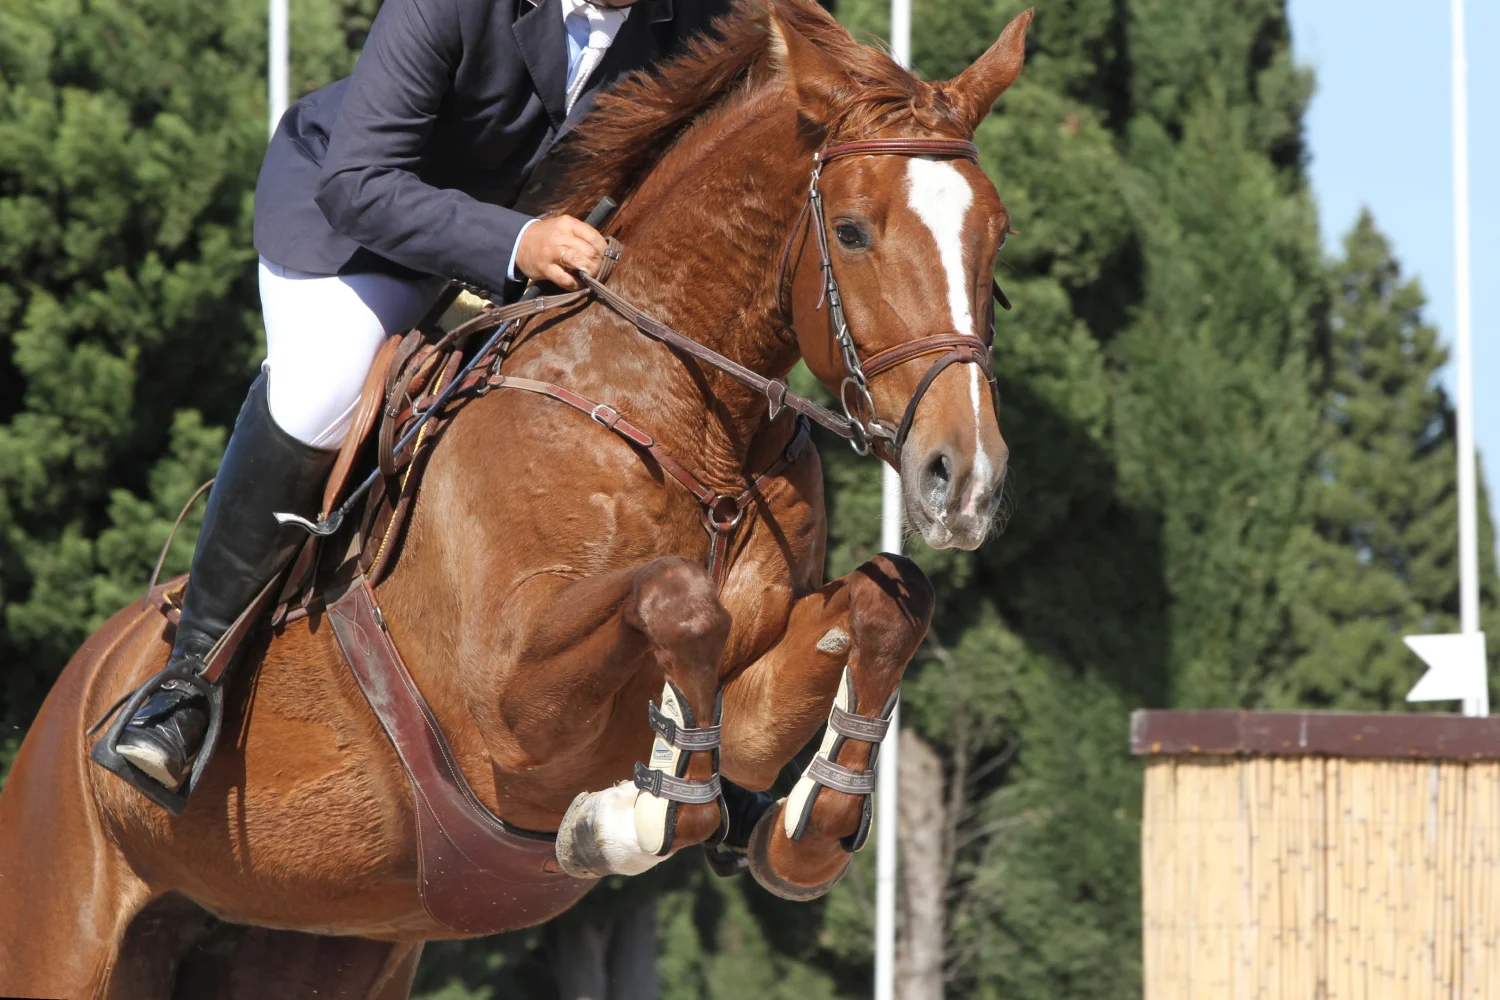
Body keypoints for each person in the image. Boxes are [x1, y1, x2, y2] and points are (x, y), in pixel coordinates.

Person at [98, 0, 734, 800]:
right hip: (360, 231)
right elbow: (358, 184)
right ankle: (187, 682)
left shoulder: (702, 16)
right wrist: (514, 240)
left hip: (543, 252)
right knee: (323, 389)